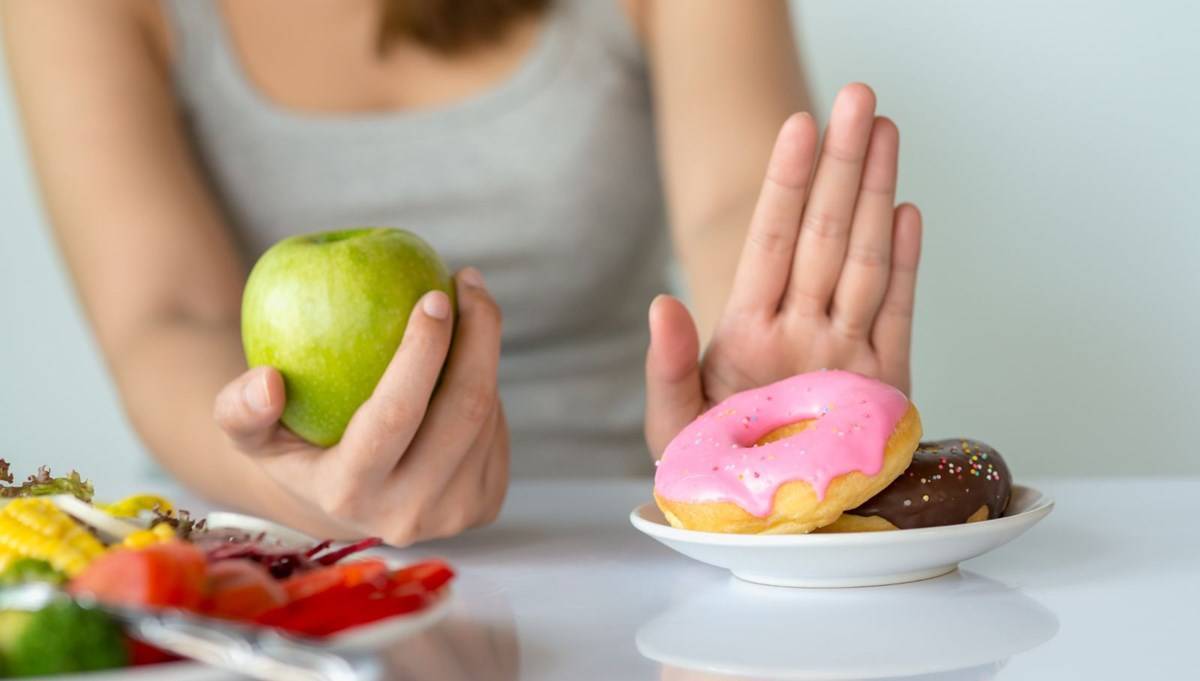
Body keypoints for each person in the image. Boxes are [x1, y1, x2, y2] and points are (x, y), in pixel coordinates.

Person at [2, 0, 921, 545]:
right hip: (265, 565)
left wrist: (766, 409)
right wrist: (297, 490)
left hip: (622, 550)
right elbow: (163, 315)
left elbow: (735, 206)